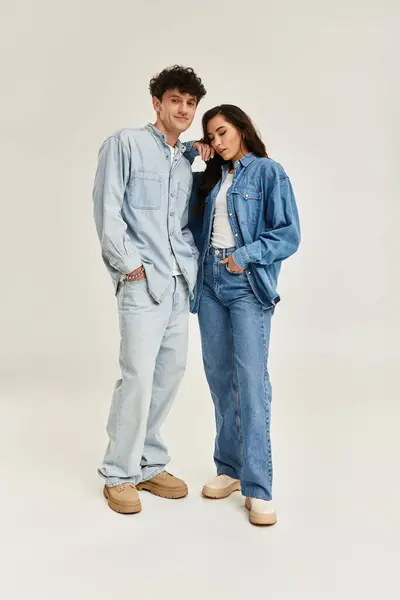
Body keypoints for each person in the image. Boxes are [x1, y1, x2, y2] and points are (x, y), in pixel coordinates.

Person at [92, 65, 211, 514]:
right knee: (138, 376)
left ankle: (147, 462)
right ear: (157, 102)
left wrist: (203, 160)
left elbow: (186, 220)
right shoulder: (124, 143)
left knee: (169, 375)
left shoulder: (185, 161)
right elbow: (108, 211)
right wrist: (129, 267)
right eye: (175, 100)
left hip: (180, 281)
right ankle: (118, 472)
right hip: (142, 282)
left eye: (190, 103)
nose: (183, 109)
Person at [188, 105, 301, 526]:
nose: (217, 142)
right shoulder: (211, 178)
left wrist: (245, 256)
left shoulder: (268, 173)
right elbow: (187, 215)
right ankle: (229, 469)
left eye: (222, 133)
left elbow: (288, 234)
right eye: (211, 137)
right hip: (210, 283)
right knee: (219, 378)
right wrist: (192, 156)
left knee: (251, 381)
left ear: (241, 130)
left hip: (245, 284)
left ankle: (258, 486)